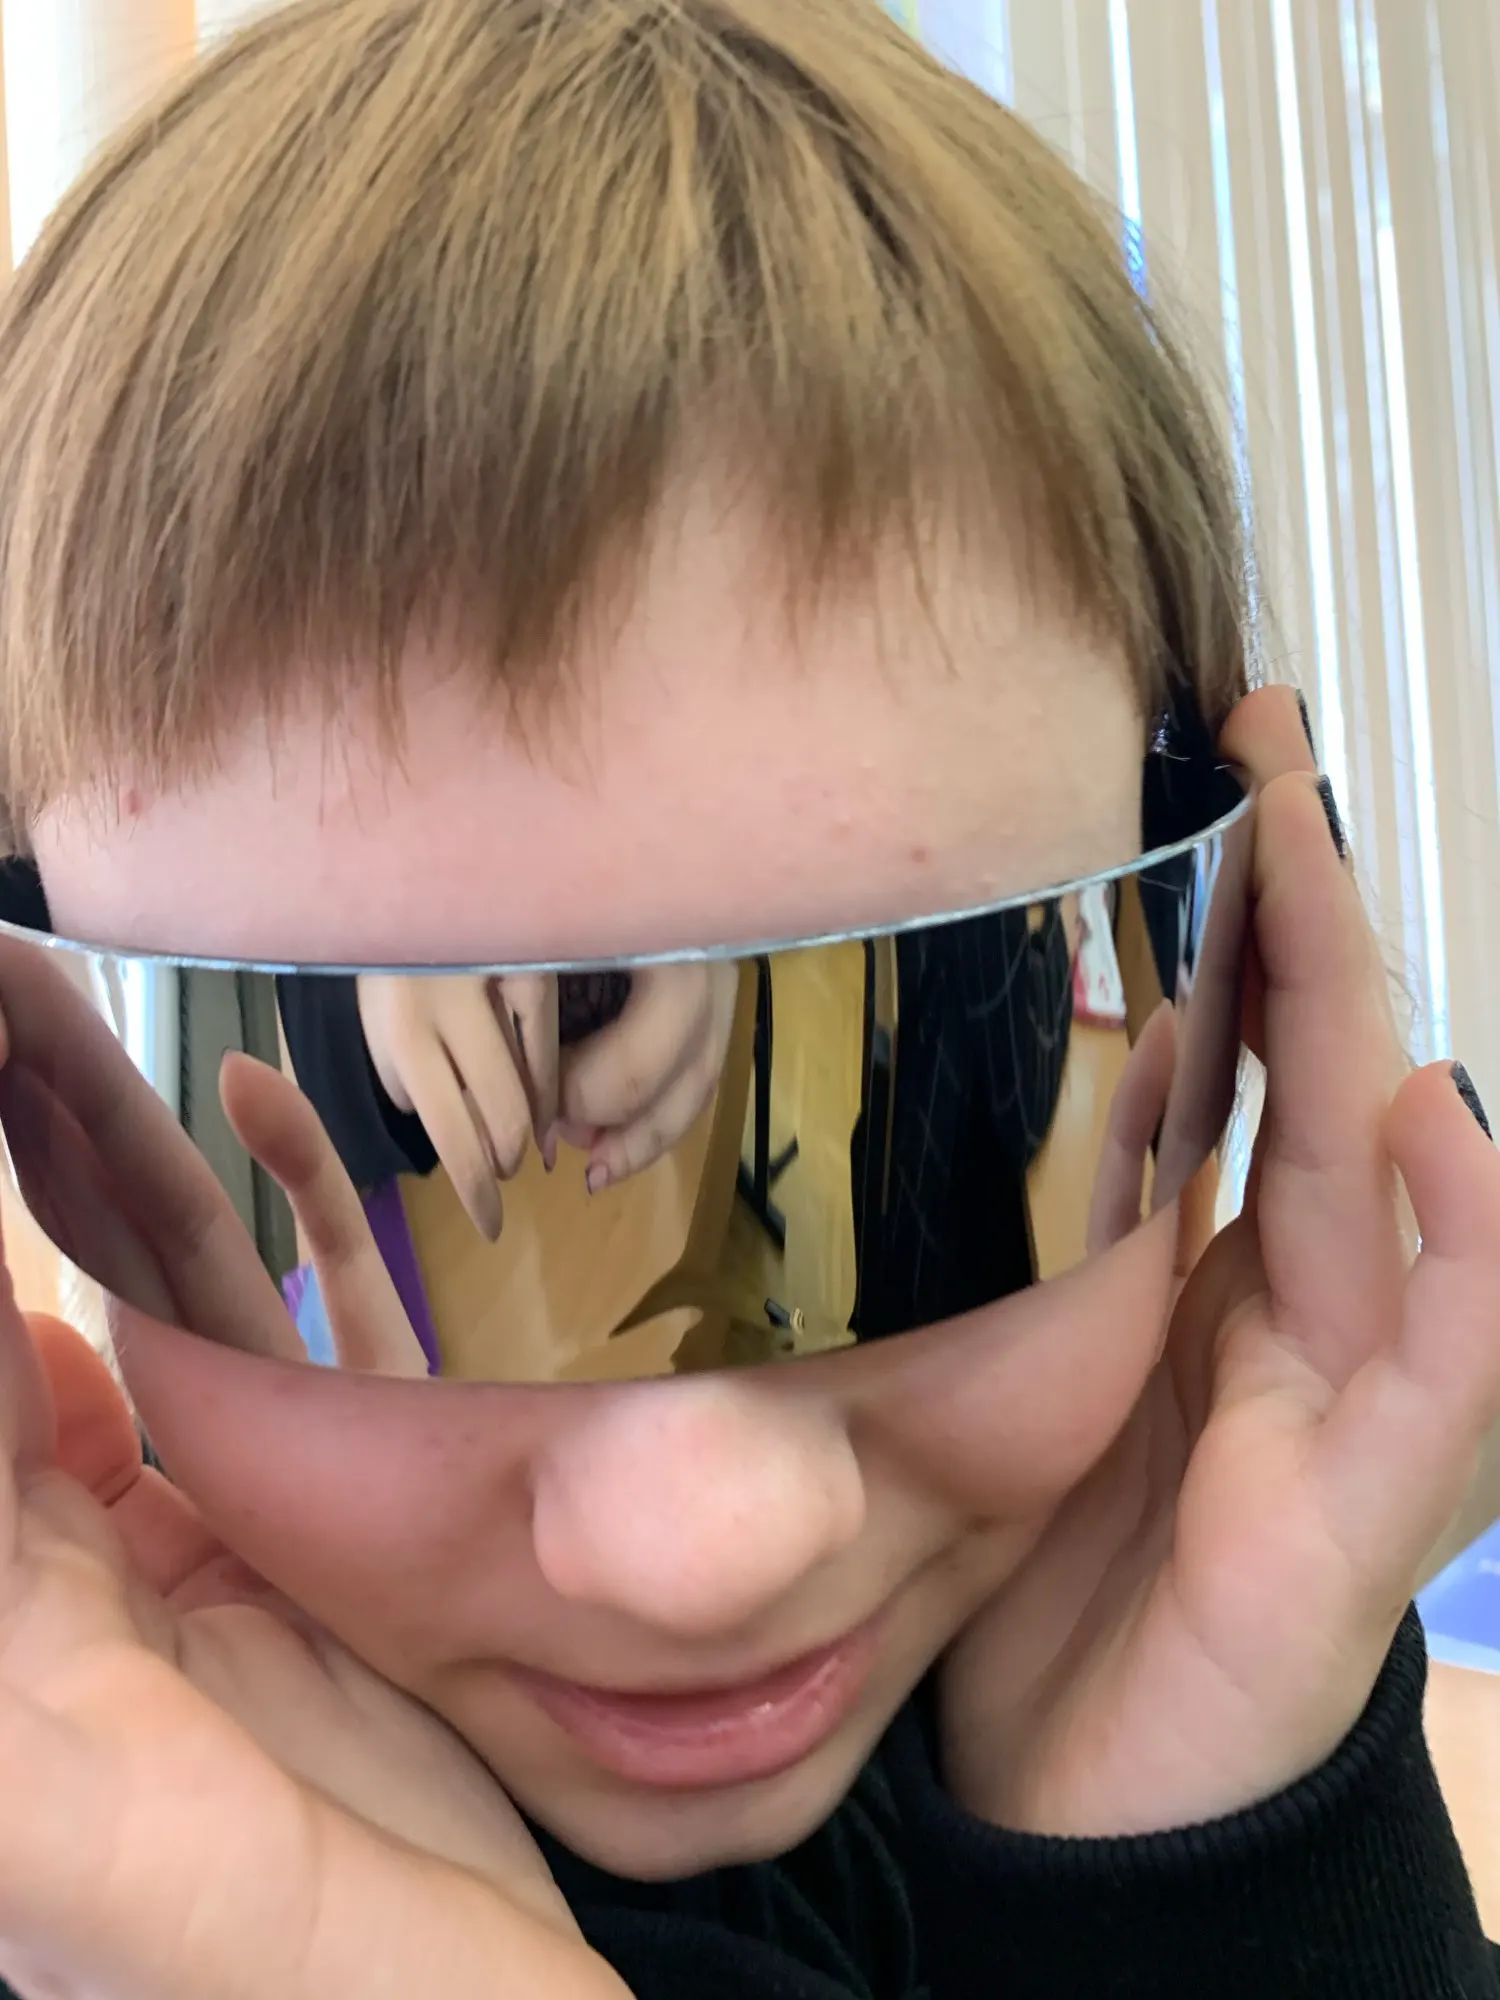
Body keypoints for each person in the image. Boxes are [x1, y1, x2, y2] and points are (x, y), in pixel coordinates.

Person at [0, 3, 1493, 1996]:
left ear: (1244, 1003)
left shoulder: (1173, 1650)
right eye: (396, 1152)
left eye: (925, 1154)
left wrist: (1215, 1836)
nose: (700, 1548)